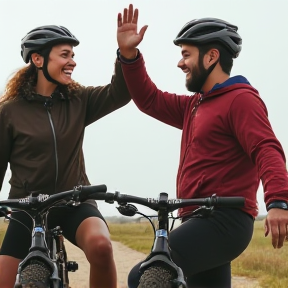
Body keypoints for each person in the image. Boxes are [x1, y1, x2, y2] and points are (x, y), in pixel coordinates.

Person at [116, 4, 288, 288]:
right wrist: (129, 56)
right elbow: (149, 100)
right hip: (197, 218)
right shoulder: (195, 105)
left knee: (146, 276)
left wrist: (278, 201)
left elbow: (266, 148)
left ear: (211, 56)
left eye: (186, 54)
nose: (180, 63)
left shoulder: (240, 99)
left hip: (223, 220)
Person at [0, 25, 131, 288]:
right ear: (38, 59)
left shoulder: (79, 100)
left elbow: (121, 92)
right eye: (64, 55)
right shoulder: (10, 111)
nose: (72, 61)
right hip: (29, 208)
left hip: (75, 202)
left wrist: (126, 54)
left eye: (72, 55)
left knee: (101, 246)